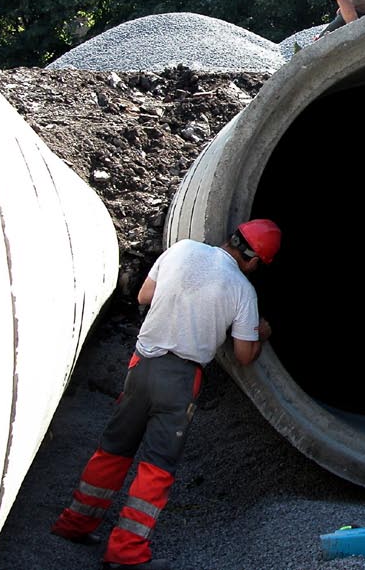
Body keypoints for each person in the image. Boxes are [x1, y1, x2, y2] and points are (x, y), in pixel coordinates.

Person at [50, 219, 282, 569]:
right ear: (252, 261)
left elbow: (144, 295)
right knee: (157, 465)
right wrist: (260, 332)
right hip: (180, 378)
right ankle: (125, 553)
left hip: (141, 363)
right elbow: (244, 355)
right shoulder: (242, 290)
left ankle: (75, 524)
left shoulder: (183, 249)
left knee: (114, 448)